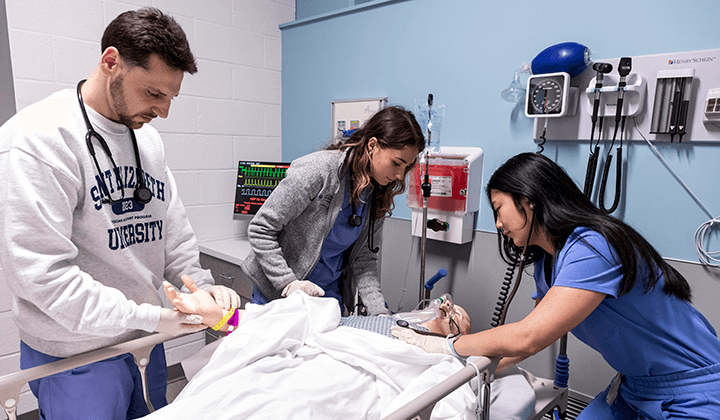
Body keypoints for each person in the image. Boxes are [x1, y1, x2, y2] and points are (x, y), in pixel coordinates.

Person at [0, 8, 240, 419]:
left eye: (170, 97)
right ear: (111, 62)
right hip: (77, 357)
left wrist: (203, 289)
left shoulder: (148, 143)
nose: (163, 112)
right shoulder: (37, 140)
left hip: (144, 342)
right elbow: (45, 279)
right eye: (153, 94)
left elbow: (174, 238)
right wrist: (157, 317)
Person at [393, 152, 720, 419]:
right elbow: (523, 336)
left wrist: (445, 346)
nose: (497, 224)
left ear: (529, 201)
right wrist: (463, 372)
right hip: (635, 387)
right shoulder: (549, 263)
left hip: (693, 390)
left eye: (498, 209)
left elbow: (527, 337)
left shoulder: (594, 247)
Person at [241, 105, 425, 315]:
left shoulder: (376, 193)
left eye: (407, 167)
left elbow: (364, 260)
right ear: (373, 145)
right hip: (278, 295)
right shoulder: (318, 172)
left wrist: (379, 313)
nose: (401, 175)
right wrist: (288, 283)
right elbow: (261, 229)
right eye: (397, 163)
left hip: (326, 298)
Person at [163, 276, 470, 337]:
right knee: (291, 317)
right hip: (334, 325)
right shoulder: (402, 319)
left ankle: (225, 320)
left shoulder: (424, 344)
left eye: (457, 317)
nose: (447, 307)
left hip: (344, 345)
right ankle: (227, 320)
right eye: (452, 305)